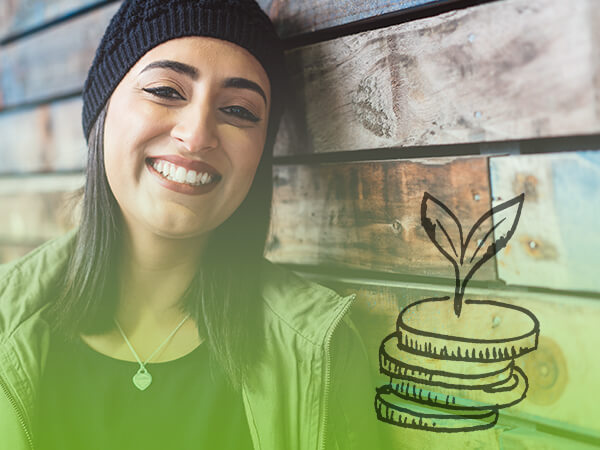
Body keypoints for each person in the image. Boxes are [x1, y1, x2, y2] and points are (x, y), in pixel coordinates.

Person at [0, 1, 381, 449]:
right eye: (166, 90)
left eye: (239, 110)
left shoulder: (323, 352)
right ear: (103, 113)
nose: (197, 135)